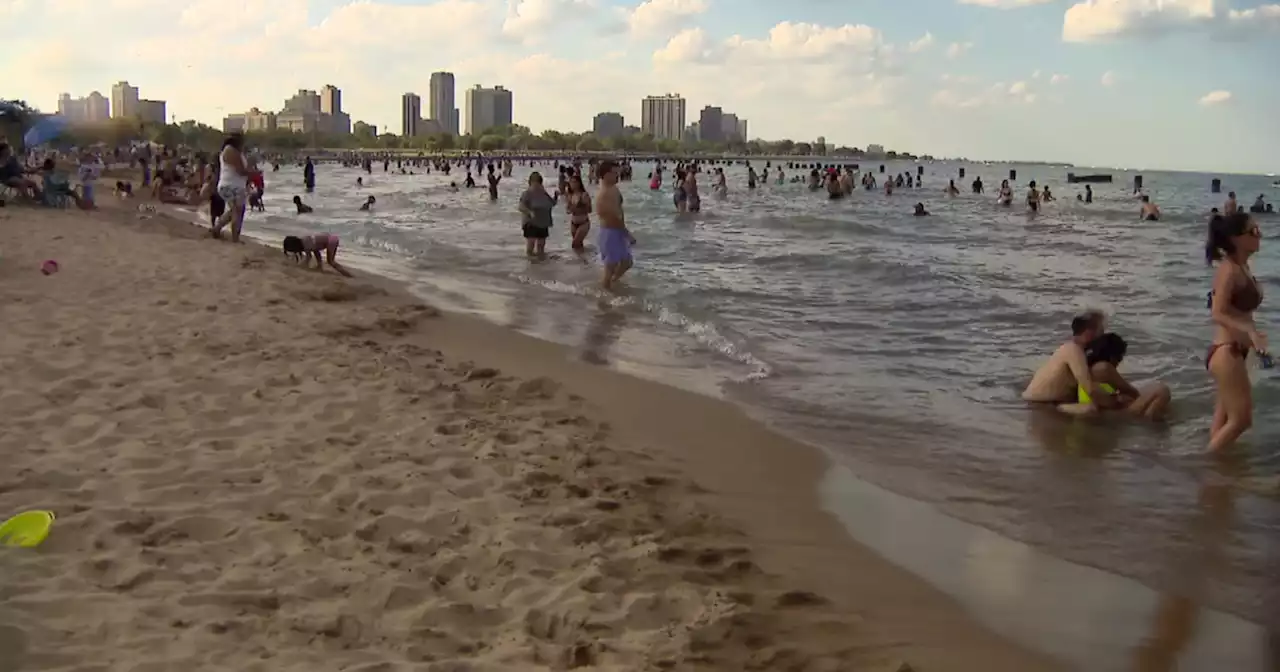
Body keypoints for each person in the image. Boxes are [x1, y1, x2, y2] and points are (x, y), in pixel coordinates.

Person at [1204, 211, 1267, 451]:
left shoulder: (1243, 267)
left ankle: (1218, 475)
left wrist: (1252, 339)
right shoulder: (1229, 269)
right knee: (1241, 420)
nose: (1259, 235)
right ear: (1236, 239)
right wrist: (1249, 331)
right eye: (1253, 231)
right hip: (1226, 351)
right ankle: (1205, 467)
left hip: (1236, 352)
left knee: (1223, 422)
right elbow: (1218, 313)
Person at [1022, 311, 1118, 414]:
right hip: (1040, 406)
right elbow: (1089, 390)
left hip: (1039, 403)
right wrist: (1117, 402)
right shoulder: (1074, 351)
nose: (1103, 336)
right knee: (1090, 409)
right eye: (1101, 331)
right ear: (1089, 333)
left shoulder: (1069, 349)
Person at [1079, 332, 1171, 420]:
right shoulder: (1103, 368)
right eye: (1120, 358)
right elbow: (1131, 392)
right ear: (1112, 356)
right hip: (1113, 416)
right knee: (1162, 391)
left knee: (1156, 400)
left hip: (1106, 413)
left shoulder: (1087, 368)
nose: (1119, 362)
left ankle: (1151, 420)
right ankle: (1150, 422)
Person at [595, 160, 635, 291]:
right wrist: (626, 233)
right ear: (606, 175)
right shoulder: (605, 193)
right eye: (615, 173)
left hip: (616, 231)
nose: (618, 175)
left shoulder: (613, 189)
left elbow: (618, 212)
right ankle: (604, 297)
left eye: (618, 172)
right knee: (610, 267)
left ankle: (612, 283)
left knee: (627, 262)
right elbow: (612, 217)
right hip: (610, 232)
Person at [212, 133, 250, 242]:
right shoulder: (231, 151)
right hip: (233, 186)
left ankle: (217, 228)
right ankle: (235, 238)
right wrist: (253, 173)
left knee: (233, 211)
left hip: (230, 185)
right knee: (236, 212)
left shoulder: (228, 151)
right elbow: (240, 170)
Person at [518, 171, 558, 257]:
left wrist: (556, 196)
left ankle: (540, 267)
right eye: (534, 182)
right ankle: (531, 265)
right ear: (530, 183)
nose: (536, 185)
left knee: (541, 246)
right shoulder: (527, 193)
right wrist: (529, 212)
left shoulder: (544, 193)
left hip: (543, 222)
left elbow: (552, 203)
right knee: (531, 245)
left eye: (538, 182)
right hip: (530, 222)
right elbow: (521, 206)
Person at [283, 234, 352, 277]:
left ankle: (348, 275)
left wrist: (302, 266)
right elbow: (316, 251)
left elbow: (309, 257)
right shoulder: (304, 241)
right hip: (332, 239)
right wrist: (319, 265)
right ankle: (346, 274)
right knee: (331, 261)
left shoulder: (305, 244)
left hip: (331, 241)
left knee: (331, 261)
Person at [565, 173, 592, 252]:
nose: (572, 184)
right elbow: (567, 210)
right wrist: (570, 209)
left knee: (575, 244)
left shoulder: (584, 195)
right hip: (573, 222)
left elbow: (590, 210)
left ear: (579, 183)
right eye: (571, 182)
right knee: (579, 245)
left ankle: (581, 260)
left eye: (574, 182)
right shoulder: (570, 195)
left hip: (584, 223)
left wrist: (577, 209)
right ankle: (582, 261)